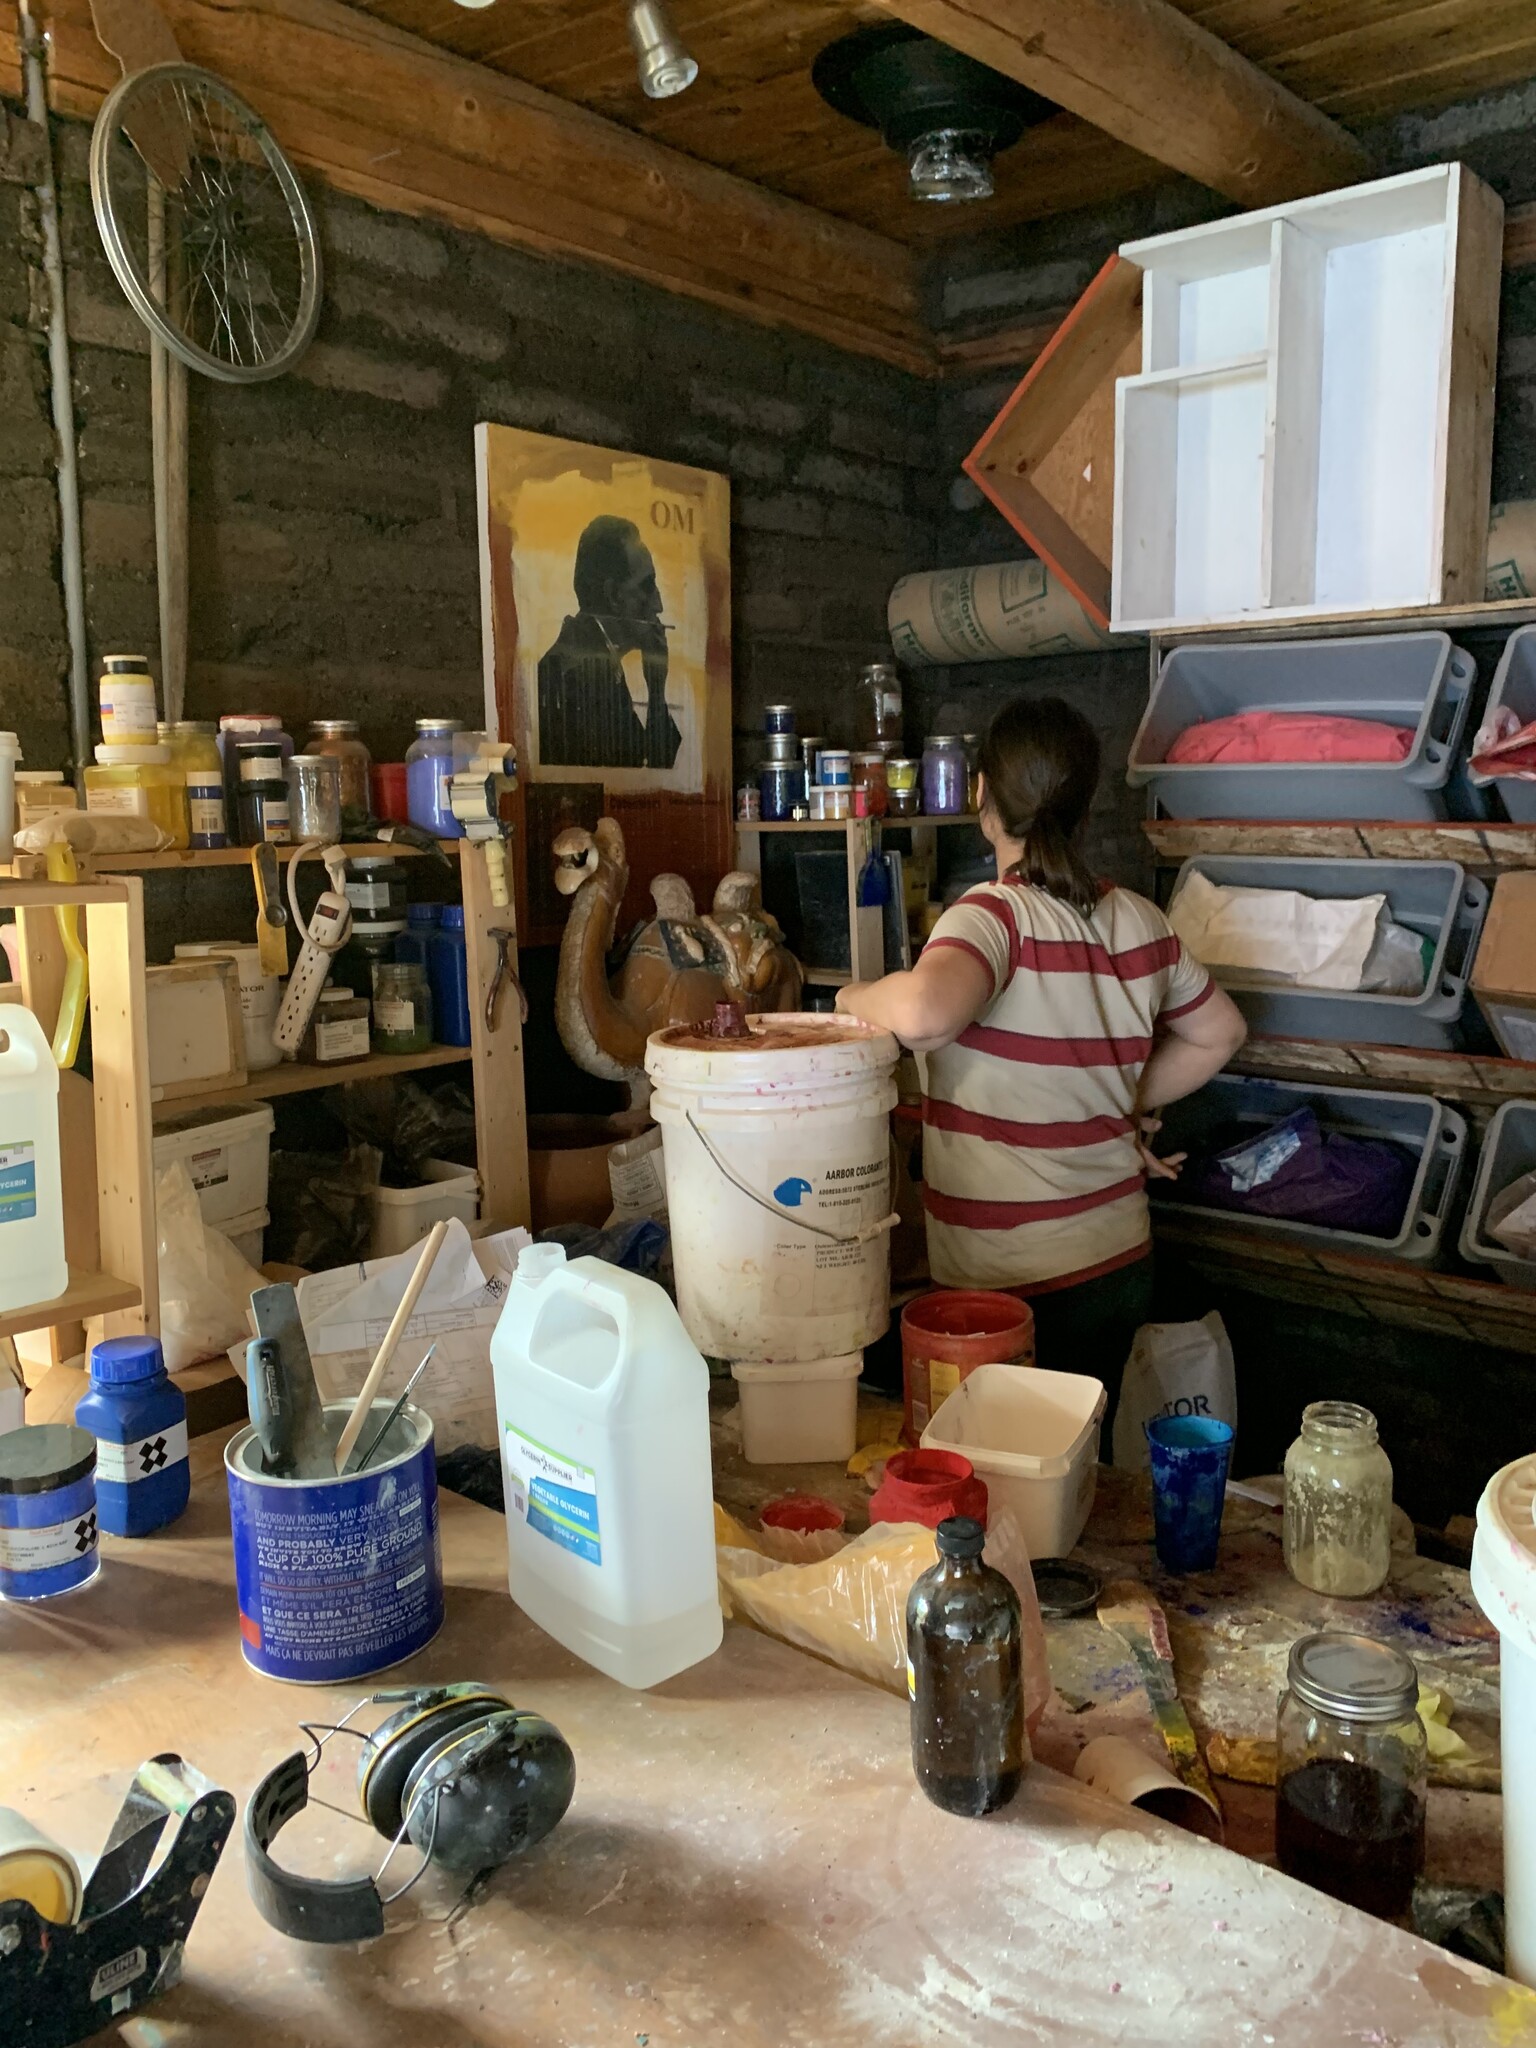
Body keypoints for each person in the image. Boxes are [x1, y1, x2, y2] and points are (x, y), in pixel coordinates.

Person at [836, 695, 1246, 1424]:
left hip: (1012, 1284)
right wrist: (1125, 1100)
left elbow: (925, 1016)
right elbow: (1221, 1033)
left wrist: (851, 996)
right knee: (1070, 1466)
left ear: (981, 796)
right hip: (1118, 1262)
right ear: (1086, 808)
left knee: (1005, 1482)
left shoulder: (994, 916)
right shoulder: (1141, 921)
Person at [537, 515, 682, 771]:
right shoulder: (575, 672)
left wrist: (656, 687)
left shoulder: (599, 658)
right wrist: (657, 694)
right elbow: (642, 775)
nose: (658, 605)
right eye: (647, 587)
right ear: (614, 595)